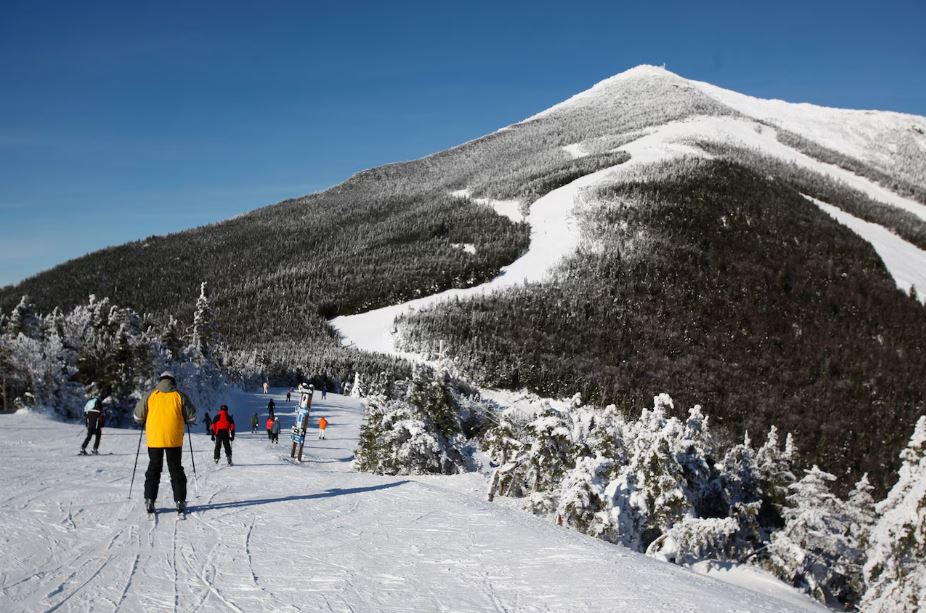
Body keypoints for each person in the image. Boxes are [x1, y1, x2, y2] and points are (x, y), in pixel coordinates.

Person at [134, 371, 197, 515]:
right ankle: (180, 501)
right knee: (175, 469)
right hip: (173, 439)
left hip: (154, 439)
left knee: (154, 468)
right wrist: (187, 419)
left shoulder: (151, 395)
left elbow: (137, 415)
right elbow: (192, 416)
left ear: (160, 380)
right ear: (173, 381)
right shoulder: (179, 395)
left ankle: (150, 499)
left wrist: (143, 420)